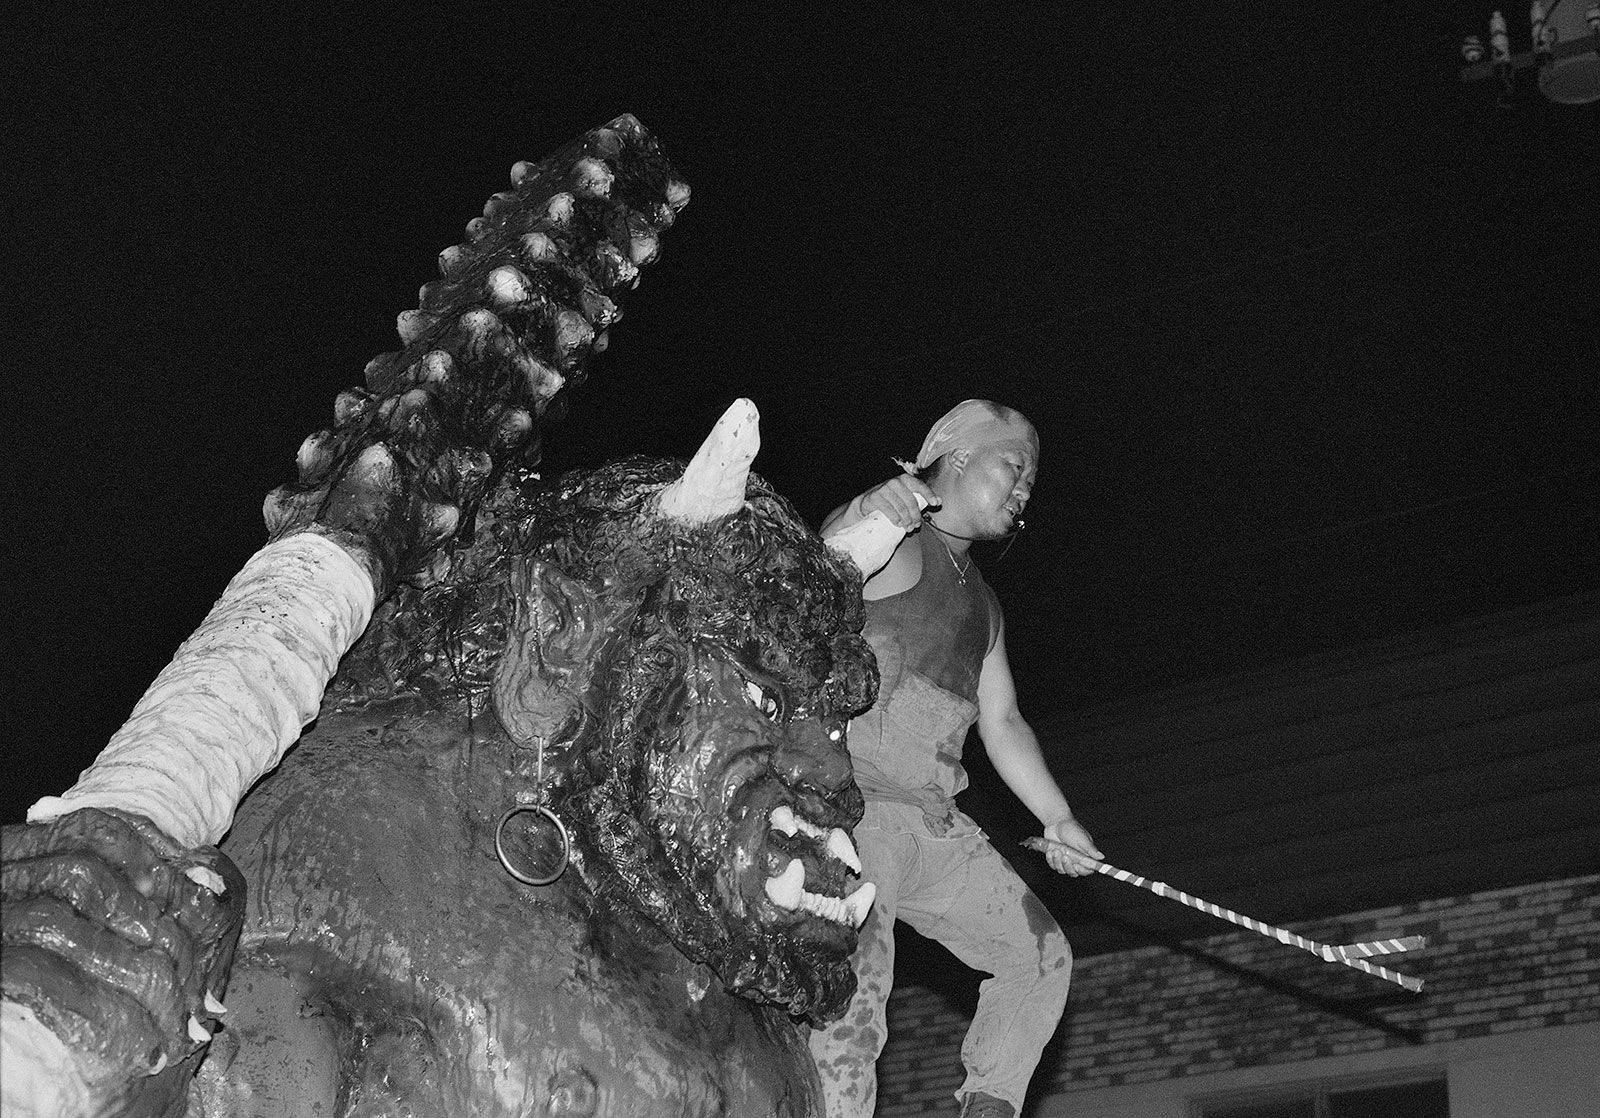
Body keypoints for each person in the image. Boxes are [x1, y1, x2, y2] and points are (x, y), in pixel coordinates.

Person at [809, 399, 1103, 1118]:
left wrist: (1059, 819)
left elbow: (1002, 721)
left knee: (1038, 959)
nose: (1027, 486)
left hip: (933, 823)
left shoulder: (987, 605)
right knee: (857, 992)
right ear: (961, 458)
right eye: (1015, 466)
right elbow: (815, 575)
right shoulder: (897, 539)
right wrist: (867, 512)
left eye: (1032, 476)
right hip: (855, 810)